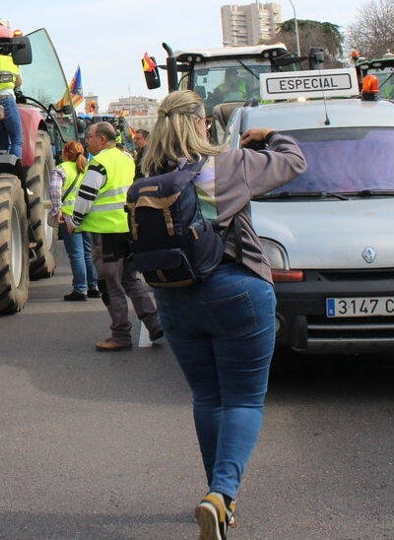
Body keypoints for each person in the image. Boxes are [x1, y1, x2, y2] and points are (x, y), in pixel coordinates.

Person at [139, 89, 306, 539]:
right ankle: (222, 494)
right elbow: (294, 161)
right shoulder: (230, 164)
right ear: (200, 125)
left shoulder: (150, 172)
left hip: (174, 296)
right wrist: (270, 134)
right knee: (244, 399)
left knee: (208, 399)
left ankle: (219, 499)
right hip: (237, 290)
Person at [67, 121, 162, 350]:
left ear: (101, 139)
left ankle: (120, 335)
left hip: (106, 233)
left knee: (110, 284)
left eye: (89, 137)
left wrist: (74, 222)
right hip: (128, 229)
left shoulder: (98, 164)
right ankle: (154, 322)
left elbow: (86, 198)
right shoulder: (127, 159)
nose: (86, 141)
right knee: (130, 279)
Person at [51, 140, 98, 301]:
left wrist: (56, 210)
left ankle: (80, 289)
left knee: (76, 254)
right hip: (87, 215)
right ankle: (94, 286)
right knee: (88, 253)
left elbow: (55, 192)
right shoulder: (87, 169)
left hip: (69, 217)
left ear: (65, 153)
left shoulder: (61, 170)